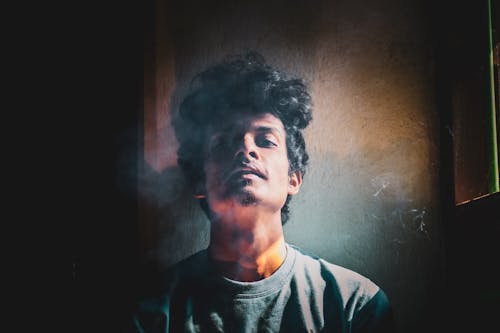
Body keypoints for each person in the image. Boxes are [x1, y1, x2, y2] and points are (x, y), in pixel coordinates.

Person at [131, 52, 394, 332]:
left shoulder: (354, 305)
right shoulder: (154, 312)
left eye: (266, 140)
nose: (246, 149)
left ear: (294, 178)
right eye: (222, 144)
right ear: (199, 183)